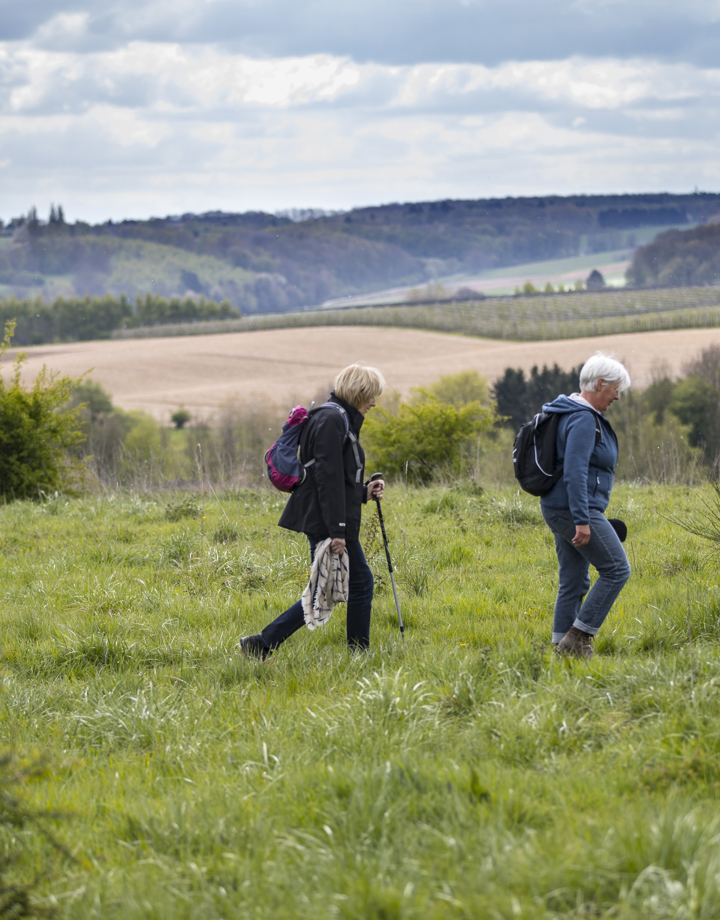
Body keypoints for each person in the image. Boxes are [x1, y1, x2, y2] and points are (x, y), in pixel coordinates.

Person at [241, 364, 386, 659]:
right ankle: (359, 654)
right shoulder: (332, 420)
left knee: (327, 588)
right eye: (372, 396)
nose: (374, 403)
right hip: (325, 521)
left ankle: (261, 644)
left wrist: (363, 493)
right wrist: (337, 532)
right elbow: (327, 480)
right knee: (357, 584)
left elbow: (334, 480)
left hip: (325, 517)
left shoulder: (335, 418)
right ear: (360, 392)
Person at [540, 353, 631, 659]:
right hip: (574, 509)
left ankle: (560, 648)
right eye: (615, 388)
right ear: (600, 383)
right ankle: (578, 638)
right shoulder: (582, 418)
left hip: (558, 507)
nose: (617, 395)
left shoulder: (569, 411)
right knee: (617, 569)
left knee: (575, 579)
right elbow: (576, 472)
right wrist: (582, 519)